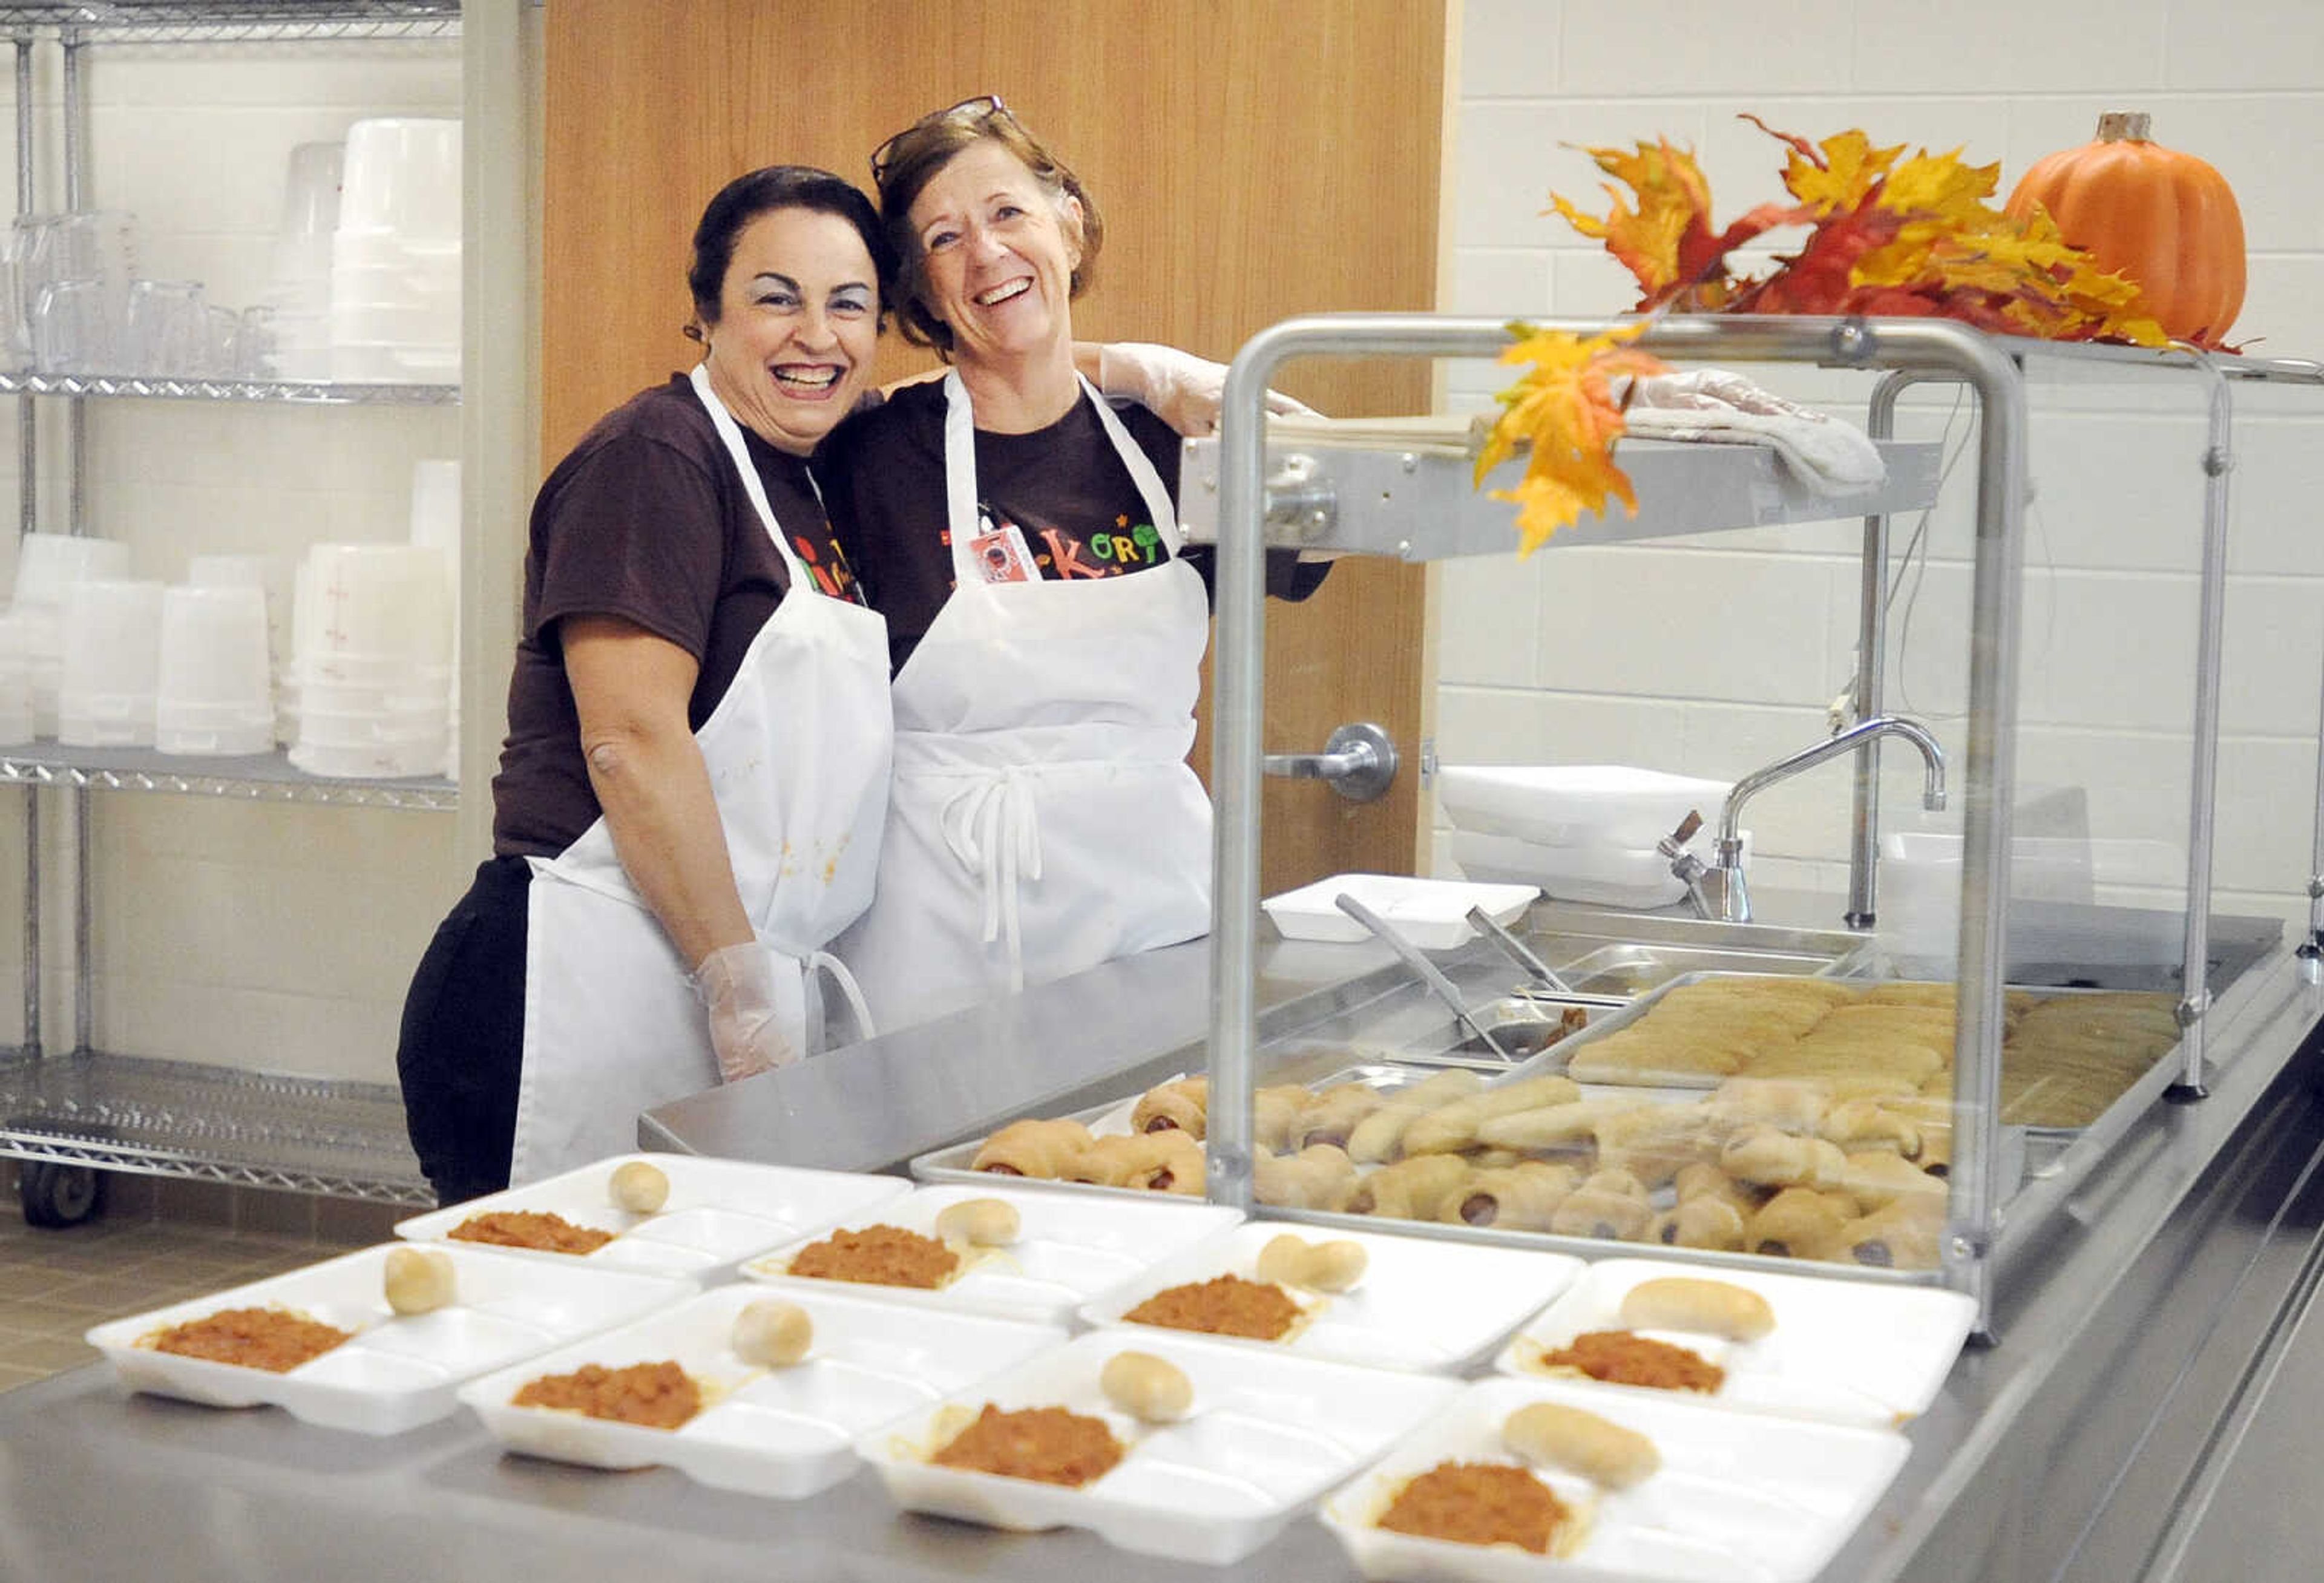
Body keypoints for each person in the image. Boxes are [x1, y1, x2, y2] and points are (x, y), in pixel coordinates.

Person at [395, 166, 899, 1204]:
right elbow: (629, 741)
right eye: (777, 297)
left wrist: (1140, 369)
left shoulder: (803, 474)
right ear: (704, 312)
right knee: (548, 1331)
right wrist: (739, 984)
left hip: (704, 988)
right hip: (575, 990)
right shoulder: (656, 457)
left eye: (848, 304)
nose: (818, 336)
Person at [819, 96, 1329, 1036]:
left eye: (1008, 213)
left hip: (1156, 920)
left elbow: (1332, 485)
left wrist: (1151, 372)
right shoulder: (873, 454)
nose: (986, 254)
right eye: (944, 238)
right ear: (922, 293)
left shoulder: (1173, 437)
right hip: (939, 933)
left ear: (1070, 221)